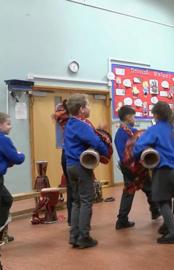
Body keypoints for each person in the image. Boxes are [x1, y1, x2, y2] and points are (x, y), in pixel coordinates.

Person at [133, 101, 174, 244]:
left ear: (155, 115)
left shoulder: (154, 130)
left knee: (162, 201)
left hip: (164, 169)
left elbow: (138, 147)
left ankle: (173, 234)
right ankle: (167, 226)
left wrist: (138, 155)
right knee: (168, 198)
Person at [65, 94, 109, 249]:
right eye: (88, 105)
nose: (89, 108)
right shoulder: (81, 125)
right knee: (86, 201)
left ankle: (74, 236)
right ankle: (84, 237)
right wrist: (106, 150)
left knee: (77, 201)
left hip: (70, 166)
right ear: (82, 109)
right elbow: (95, 141)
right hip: (81, 166)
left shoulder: (70, 123)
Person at [114, 106, 160, 230]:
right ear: (128, 117)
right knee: (132, 191)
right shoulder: (122, 134)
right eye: (133, 116)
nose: (134, 119)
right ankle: (122, 219)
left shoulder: (130, 131)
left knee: (147, 188)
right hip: (131, 168)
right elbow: (124, 154)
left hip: (137, 167)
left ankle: (155, 211)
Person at [0, 112, 25, 242]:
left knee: (7, 199)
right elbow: (16, 158)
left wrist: (4, 162)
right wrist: (21, 154)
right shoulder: (2, 139)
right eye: (8, 124)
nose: (10, 126)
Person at [52, 100, 73, 226]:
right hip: (72, 155)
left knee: (71, 188)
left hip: (65, 154)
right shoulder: (73, 121)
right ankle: (77, 220)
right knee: (77, 189)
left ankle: (72, 219)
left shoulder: (62, 118)